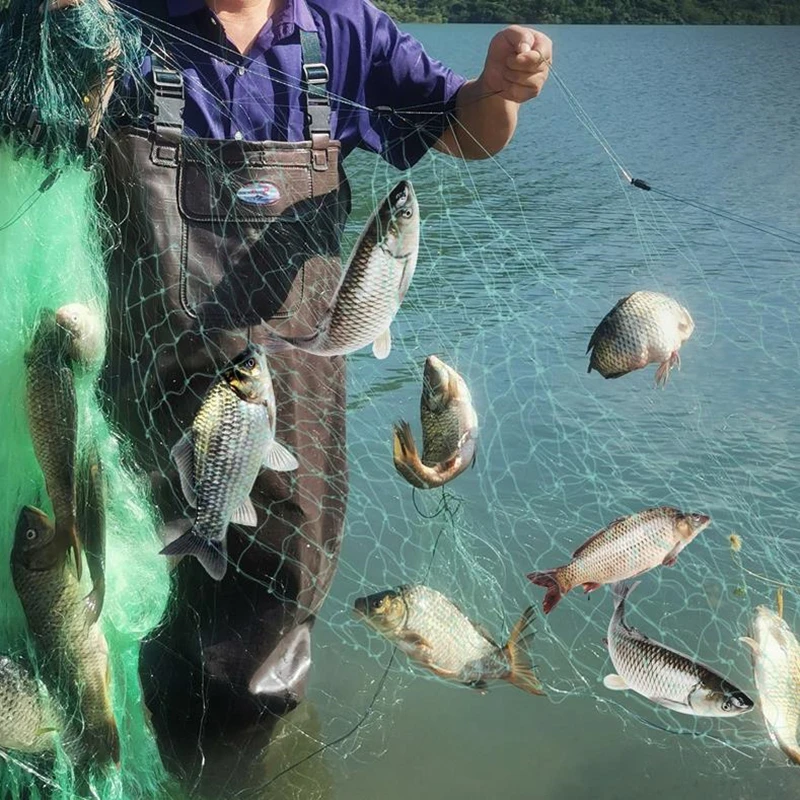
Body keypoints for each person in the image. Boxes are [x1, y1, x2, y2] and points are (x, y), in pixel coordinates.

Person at [85, 0, 552, 784]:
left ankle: (231, 765)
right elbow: (28, 113)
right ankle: (129, 734)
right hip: (150, 366)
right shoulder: (119, 19)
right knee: (134, 564)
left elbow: (464, 130)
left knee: (283, 568)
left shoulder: (341, 30)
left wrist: (499, 87)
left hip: (291, 373)